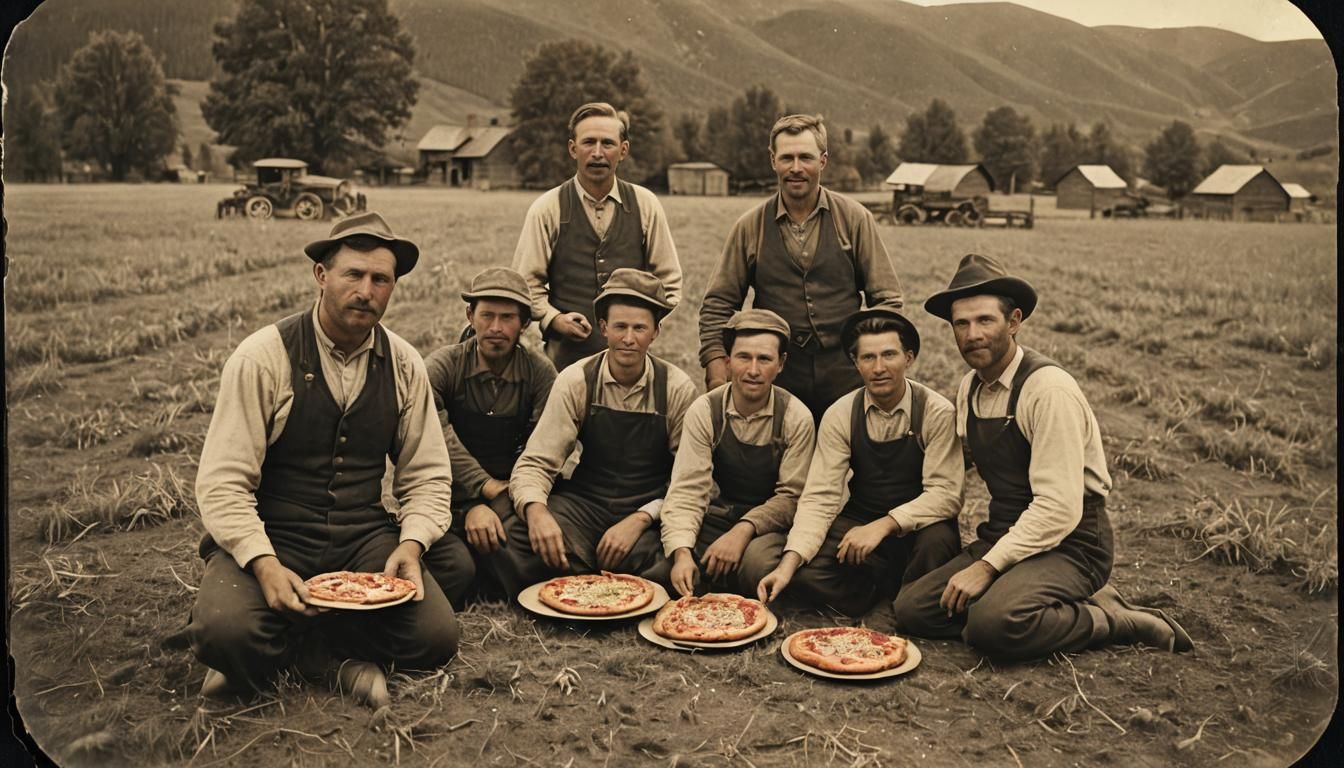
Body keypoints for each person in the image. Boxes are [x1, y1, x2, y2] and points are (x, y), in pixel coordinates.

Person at [187, 212, 461, 708]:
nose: (367, 290)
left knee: (436, 637)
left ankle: (291, 653)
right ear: (321, 275)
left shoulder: (403, 363)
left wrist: (413, 544)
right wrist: (263, 563)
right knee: (225, 633)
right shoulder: (263, 357)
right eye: (352, 274)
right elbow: (224, 482)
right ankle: (333, 659)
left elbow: (427, 474)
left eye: (381, 279)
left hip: (361, 537)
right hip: (275, 533)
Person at [893, 253, 1193, 659]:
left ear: (1014, 322)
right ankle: (1028, 598)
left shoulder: (1047, 390)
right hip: (1006, 532)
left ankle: (1115, 620)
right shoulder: (971, 387)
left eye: (985, 320)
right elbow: (958, 459)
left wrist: (986, 568)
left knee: (992, 625)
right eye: (960, 324)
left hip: (1072, 543)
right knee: (913, 610)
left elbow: (1058, 508)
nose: (972, 335)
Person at [747, 309, 962, 615]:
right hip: (859, 519)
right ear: (855, 362)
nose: (879, 368)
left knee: (937, 542)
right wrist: (788, 564)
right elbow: (820, 497)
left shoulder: (936, 411)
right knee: (787, 565)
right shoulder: (841, 414)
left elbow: (946, 495)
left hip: (920, 526)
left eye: (889, 355)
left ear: (909, 358)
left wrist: (885, 526)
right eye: (868, 358)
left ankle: (904, 602)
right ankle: (877, 594)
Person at [698, 113, 904, 422]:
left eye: (805, 157)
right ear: (773, 160)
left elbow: (887, 300)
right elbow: (718, 304)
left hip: (846, 378)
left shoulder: (855, 219)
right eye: (787, 158)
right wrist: (716, 365)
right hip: (776, 380)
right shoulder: (750, 226)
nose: (796, 168)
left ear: (822, 161)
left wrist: (872, 359)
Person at [506, 269, 697, 586]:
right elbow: (537, 461)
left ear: (656, 332)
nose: (628, 338)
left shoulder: (677, 388)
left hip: (647, 508)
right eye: (620, 326)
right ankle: (606, 576)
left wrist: (640, 519)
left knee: (669, 557)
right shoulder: (576, 379)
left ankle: (580, 574)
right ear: (603, 328)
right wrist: (537, 513)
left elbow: (689, 481)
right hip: (585, 505)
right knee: (516, 534)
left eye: (640, 328)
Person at [512, 102, 683, 371]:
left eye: (608, 143)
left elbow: (669, 282)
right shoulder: (547, 208)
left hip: (632, 364)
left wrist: (639, 327)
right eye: (588, 143)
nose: (597, 153)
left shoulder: (646, 205)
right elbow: (525, 284)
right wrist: (554, 320)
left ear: (623, 150)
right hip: (563, 361)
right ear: (573, 149)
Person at [423, 267, 557, 603]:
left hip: (512, 491)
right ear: (470, 315)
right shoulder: (442, 367)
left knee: (541, 541)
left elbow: (545, 445)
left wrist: (507, 496)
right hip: (448, 493)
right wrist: (478, 494)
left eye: (508, 317)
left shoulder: (540, 374)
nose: (496, 328)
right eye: (487, 315)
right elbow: (435, 440)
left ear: (524, 323)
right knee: (457, 565)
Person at [660, 309, 816, 598]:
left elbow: (792, 498)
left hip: (769, 526)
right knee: (662, 558)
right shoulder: (705, 410)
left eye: (765, 359)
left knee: (757, 565)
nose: (753, 370)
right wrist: (681, 554)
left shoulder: (796, 416)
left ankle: (729, 577)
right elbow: (687, 490)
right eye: (744, 357)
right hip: (720, 514)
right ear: (728, 361)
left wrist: (743, 531)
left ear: (781, 364)